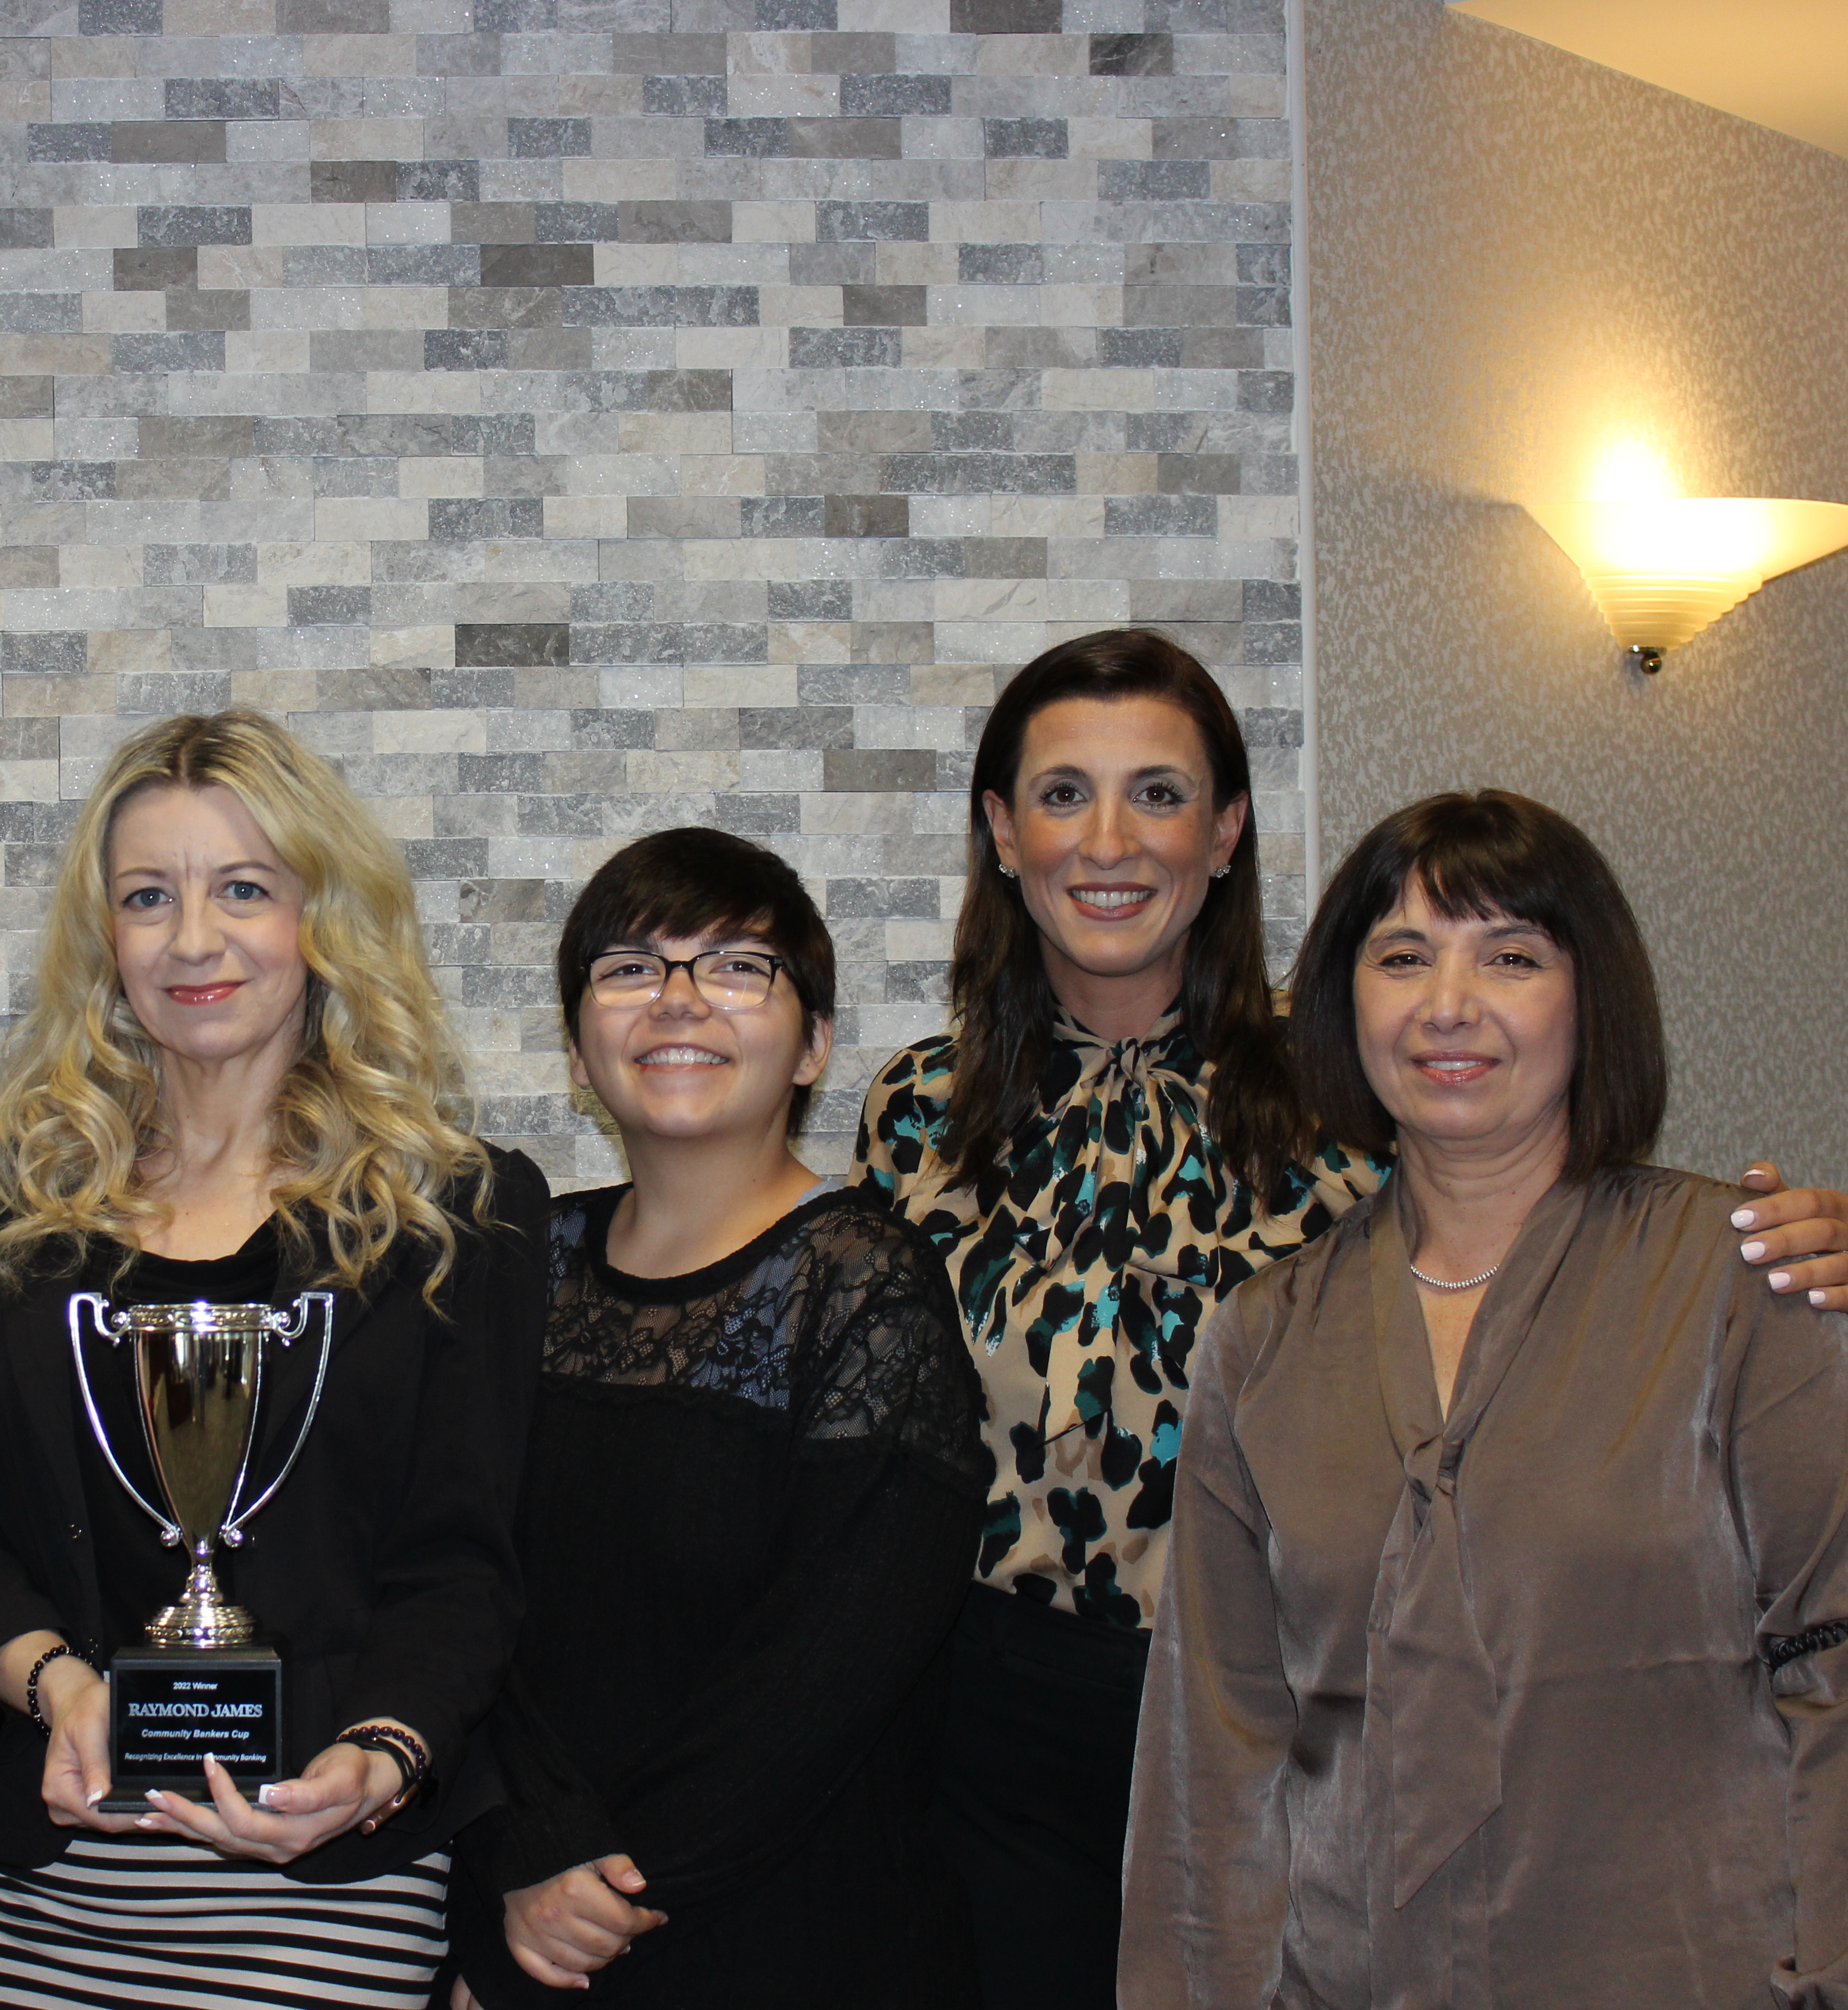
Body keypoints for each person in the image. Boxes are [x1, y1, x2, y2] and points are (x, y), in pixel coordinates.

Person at [848, 628, 1848, 2007]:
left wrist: (1815, 1250)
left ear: (1227, 830)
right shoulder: (918, 1109)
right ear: (1002, 834)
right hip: (994, 1703)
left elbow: (1559, 1260)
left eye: (1160, 792)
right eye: (1065, 793)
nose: (1111, 839)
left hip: (1337, 1677)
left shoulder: (1348, 1081)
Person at [1122, 790, 1848, 2005]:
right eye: (1402, 957)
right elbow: (1215, 1752)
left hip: (1694, 1966)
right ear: (1346, 1003)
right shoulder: (1266, 1338)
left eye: (1510, 957)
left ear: (1590, 999)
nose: (1448, 1005)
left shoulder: (1740, 1280)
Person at [0, 709, 551, 2010]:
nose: (194, 939)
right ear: (104, 940)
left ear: (323, 915)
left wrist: (381, 1754)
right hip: (34, 1880)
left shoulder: (462, 1212)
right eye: (150, 896)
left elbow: (464, 1562)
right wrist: (57, 1686)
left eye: (244, 888)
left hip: (321, 1877)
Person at [445, 828, 985, 2008]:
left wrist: (593, 1894)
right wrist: (515, 1854)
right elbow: (453, 1592)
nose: (678, 1000)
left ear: (816, 1046)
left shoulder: (867, 1284)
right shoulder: (519, 1266)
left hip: (791, 1936)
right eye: (630, 968)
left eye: (739, 967)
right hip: (525, 1918)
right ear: (580, 1048)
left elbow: (824, 1676)